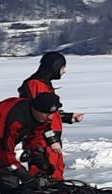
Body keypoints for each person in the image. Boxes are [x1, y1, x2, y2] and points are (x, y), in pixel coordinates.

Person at [17, 51, 85, 179]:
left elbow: (49, 112)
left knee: (56, 173)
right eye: (63, 68)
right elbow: (38, 115)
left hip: (48, 139)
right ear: (55, 66)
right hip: (41, 141)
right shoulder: (36, 85)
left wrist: (68, 117)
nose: (64, 71)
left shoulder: (44, 85)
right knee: (46, 175)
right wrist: (51, 139)